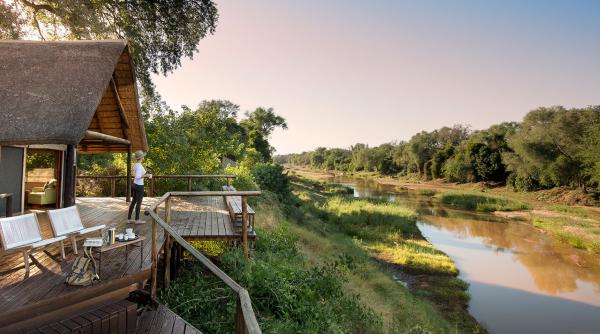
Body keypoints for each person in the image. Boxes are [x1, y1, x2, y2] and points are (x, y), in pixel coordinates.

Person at [128, 150, 152, 224]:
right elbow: (138, 176)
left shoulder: (136, 165)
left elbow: (140, 174)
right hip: (139, 186)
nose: (144, 157)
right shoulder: (139, 166)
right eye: (143, 156)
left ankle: (129, 219)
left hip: (135, 184)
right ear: (142, 157)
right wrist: (147, 175)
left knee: (134, 202)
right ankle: (137, 220)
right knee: (139, 202)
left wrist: (147, 171)